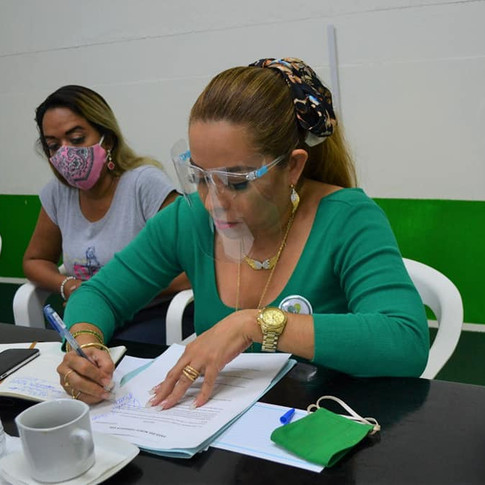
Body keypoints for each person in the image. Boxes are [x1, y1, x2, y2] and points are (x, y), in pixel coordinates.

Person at [56, 58, 429, 406]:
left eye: (236, 182)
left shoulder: (347, 218)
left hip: (320, 423)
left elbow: (405, 341)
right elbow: (100, 294)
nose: (213, 203)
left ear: (293, 167)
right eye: (199, 177)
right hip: (218, 430)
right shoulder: (189, 219)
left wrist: (255, 324)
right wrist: (85, 346)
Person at [23, 85, 188, 344]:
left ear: (107, 139)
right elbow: (35, 260)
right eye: (53, 145)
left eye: (76, 139)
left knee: (107, 359)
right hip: (89, 313)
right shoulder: (57, 194)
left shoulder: (145, 184)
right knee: (68, 358)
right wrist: (70, 286)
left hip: (152, 313)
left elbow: (191, 267)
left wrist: (112, 292)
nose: (65, 153)